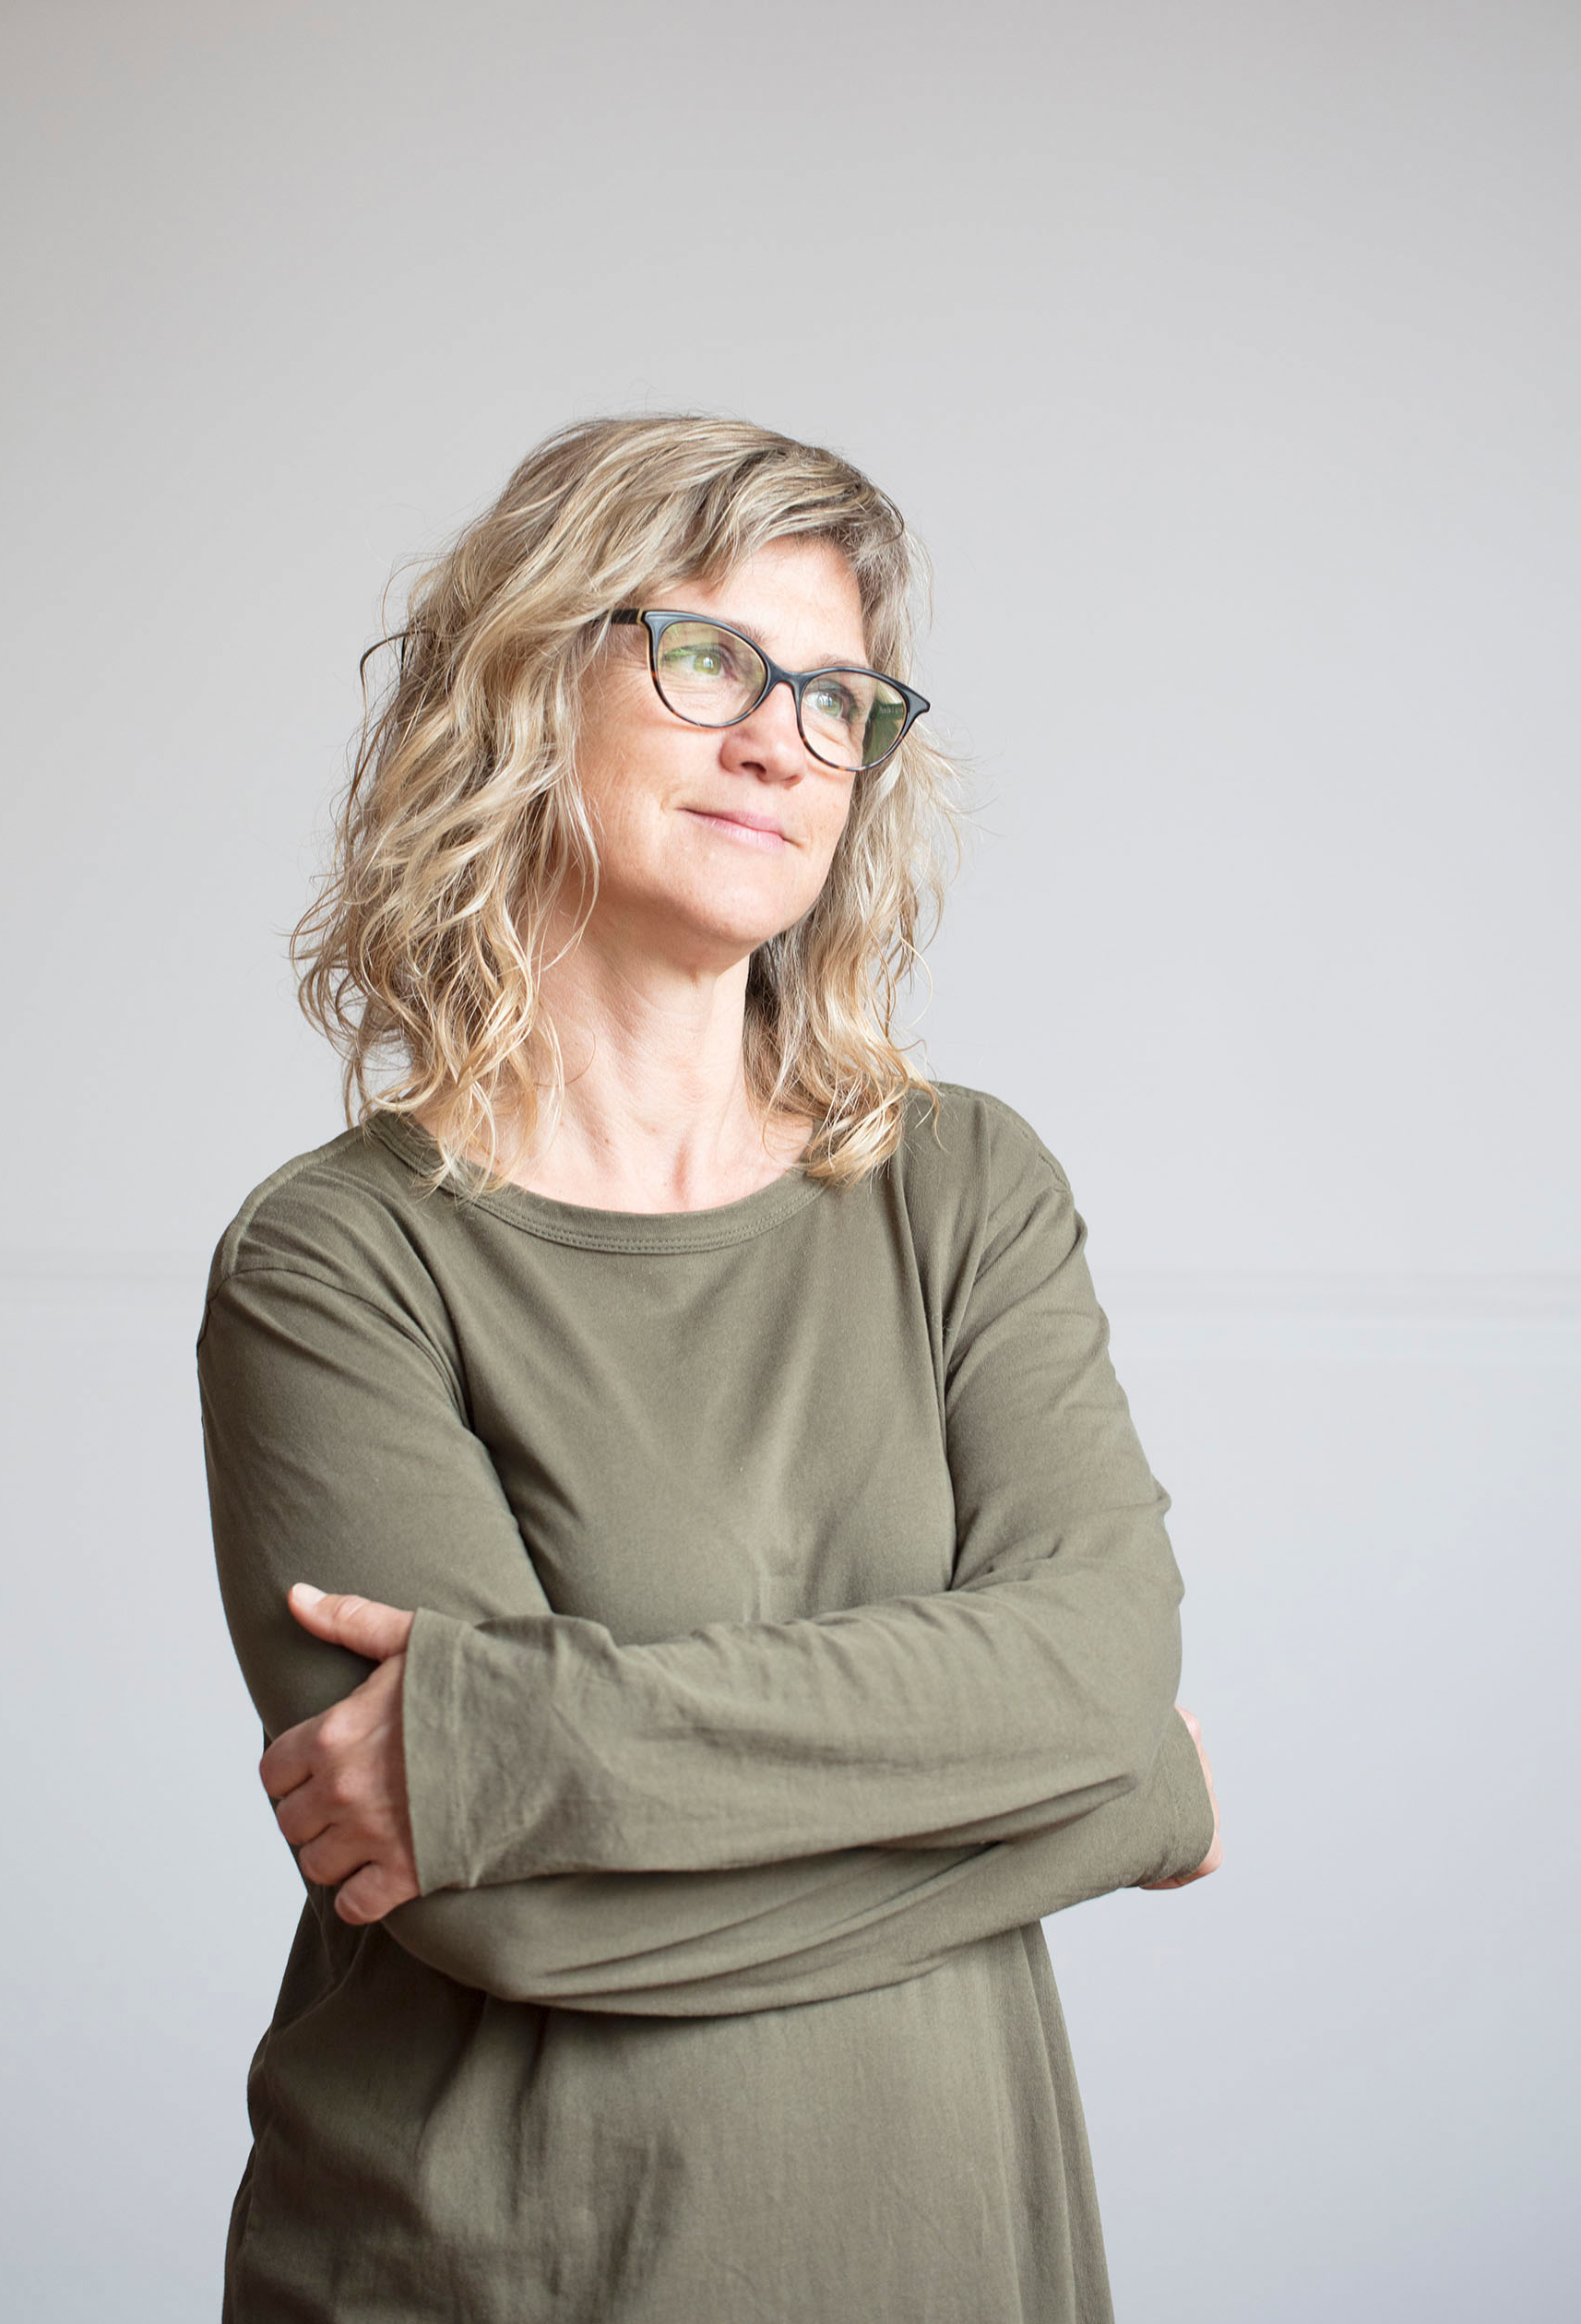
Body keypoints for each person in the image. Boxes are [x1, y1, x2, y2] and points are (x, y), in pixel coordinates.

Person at [197, 412, 1223, 2324]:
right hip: (492, 2277)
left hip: (954, 2265)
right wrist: (1111, 1801)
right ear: (521, 687)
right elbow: (505, 1904)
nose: (781, 738)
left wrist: (521, 1745)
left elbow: (1099, 1667)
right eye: (706, 658)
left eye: (838, 695)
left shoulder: (962, 1185)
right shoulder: (338, 1257)